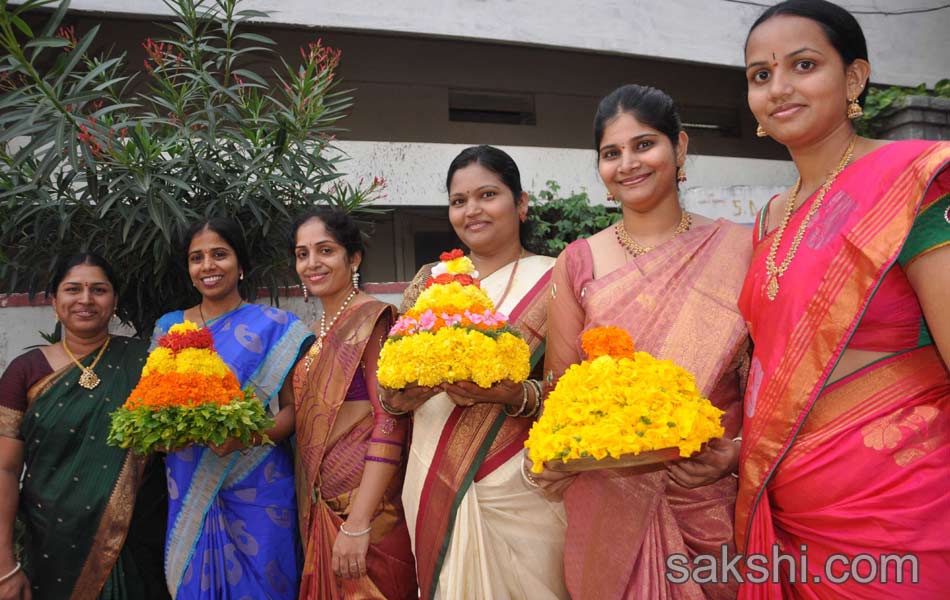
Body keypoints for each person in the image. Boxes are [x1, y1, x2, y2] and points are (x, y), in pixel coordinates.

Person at [736, 1, 950, 597]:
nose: (779, 87)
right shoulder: (767, 222)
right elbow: (775, 370)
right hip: (790, 517)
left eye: (803, 65)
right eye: (760, 75)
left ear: (854, 78)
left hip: (905, 511)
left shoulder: (909, 180)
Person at [530, 84, 751, 599]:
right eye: (611, 153)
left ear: (681, 148)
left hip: (710, 496)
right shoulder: (578, 261)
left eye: (644, 144)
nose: (628, 163)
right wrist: (555, 452)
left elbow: (766, 381)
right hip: (606, 501)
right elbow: (562, 392)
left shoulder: (741, 249)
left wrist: (736, 453)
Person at [383, 145, 568, 599]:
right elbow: (389, 389)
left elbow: (571, 392)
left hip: (522, 485)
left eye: (488, 194)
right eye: (459, 200)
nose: (472, 211)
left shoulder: (557, 278)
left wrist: (512, 395)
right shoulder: (429, 282)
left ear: (521, 204)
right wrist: (411, 391)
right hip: (433, 476)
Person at [156, 218, 313, 600]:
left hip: (258, 482)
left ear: (240, 265)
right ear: (188, 269)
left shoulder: (278, 326)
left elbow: (294, 413)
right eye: (197, 258)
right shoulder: (169, 327)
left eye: (219, 254)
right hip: (190, 479)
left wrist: (245, 437)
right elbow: (153, 404)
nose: (208, 265)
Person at [0, 253, 168, 600]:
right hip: (53, 547)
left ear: (114, 300)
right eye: (73, 289)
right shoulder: (24, 371)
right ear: (54, 301)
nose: (86, 300)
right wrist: (4, 563)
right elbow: (4, 468)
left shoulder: (149, 362)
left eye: (99, 290)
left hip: (138, 545)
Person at [290, 209, 417, 599]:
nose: (312, 263)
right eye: (302, 253)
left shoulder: (372, 319)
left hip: (368, 520)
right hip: (321, 512)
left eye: (325, 250)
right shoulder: (312, 336)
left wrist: (358, 522)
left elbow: (389, 420)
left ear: (354, 257)